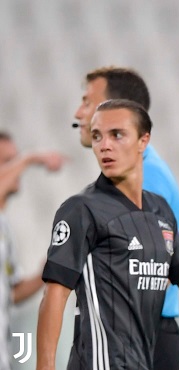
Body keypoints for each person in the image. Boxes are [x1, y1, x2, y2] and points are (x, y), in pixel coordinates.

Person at [36, 99, 179, 370]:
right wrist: (45, 366)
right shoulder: (81, 209)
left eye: (117, 135)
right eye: (97, 136)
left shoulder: (159, 209)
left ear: (143, 141)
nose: (104, 145)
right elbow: (55, 294)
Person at [73, 66, 179, 369]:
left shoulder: (147, 178)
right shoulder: (126, 177)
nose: (78, 113)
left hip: (144, 332)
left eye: (87, 102)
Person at [0, 132, 65, 369]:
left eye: (15, 160)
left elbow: (12, 293)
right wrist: (30, 159)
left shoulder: (4, 226)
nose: (17, 169)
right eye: (7, 161)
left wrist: (44, 273)